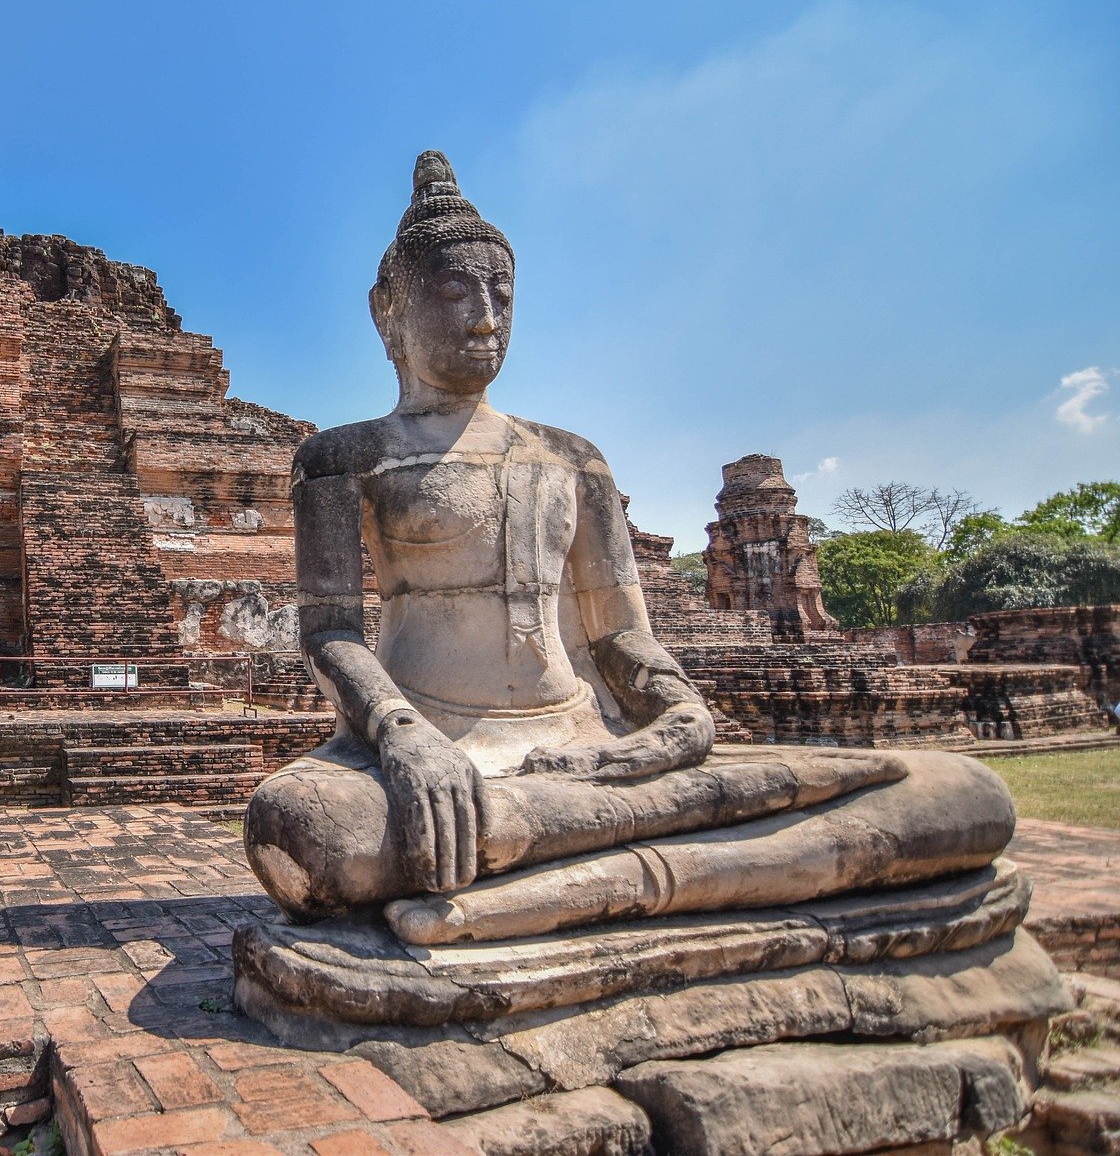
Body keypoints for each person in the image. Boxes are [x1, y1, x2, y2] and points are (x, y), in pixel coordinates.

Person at [243, 152, 1013, 943]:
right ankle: (650, 872)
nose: (485, 318)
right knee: (307, 830)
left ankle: (506, 887)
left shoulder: (573, 458)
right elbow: (330, 633)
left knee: (961, 797)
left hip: (592, 749)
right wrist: (406, 739)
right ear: (388, 312)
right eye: (454, 293)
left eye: (502, 293)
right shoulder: (344, 459)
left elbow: (620, 635)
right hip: (426, 749)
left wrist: (679, 714)